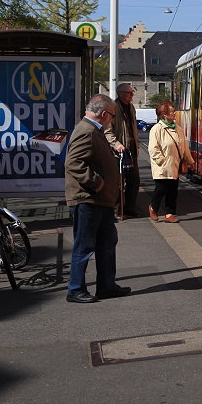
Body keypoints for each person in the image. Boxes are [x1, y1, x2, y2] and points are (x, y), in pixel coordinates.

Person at [64, 94, 130, 304]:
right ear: (104, 114)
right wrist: (97, 182)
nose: (112, 119)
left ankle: (106, 285)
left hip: (100, 201)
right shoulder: (86, 131)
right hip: (88, 199)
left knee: (107, 241)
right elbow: (73, 163)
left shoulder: (94, 130)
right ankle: (75, 289)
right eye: (112, 116)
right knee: (84, 246)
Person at [147, 101, 195, 224]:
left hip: (175, 165)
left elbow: (184, 146)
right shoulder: (156, 129)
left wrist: (189, 161)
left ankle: (169, 214)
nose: (174, 113)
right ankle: (153, 207)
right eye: (172, 111)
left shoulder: (178, 129)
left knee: (173, 191)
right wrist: (161, 160)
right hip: (162, 166)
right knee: (161, 189)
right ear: (164, 115)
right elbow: (153, 148)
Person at [104, 83, 141, 218]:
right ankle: (117, 210)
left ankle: (130, 208)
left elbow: (133, 128)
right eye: (129, 93)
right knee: (118, 181)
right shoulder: (113, 108)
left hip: (130, 147)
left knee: (134, 179)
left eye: (132, 93)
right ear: (120, 94)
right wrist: (116, 144)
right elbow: (107, 131)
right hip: (119, 149)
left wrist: (136, 146)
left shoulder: (131, 107)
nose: (131, 95)